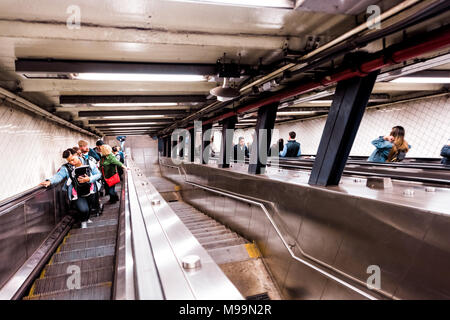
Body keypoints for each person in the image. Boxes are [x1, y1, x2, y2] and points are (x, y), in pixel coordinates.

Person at [39, 148, 102, 228]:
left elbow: (98, 174)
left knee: (89, 206)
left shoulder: (88, 162)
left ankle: (86, 218)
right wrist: (49, 181)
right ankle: (83, 221)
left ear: (76, 154)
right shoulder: (66, 167)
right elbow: (59, 176)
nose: (72, 162)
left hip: (90, 190)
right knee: (83, 209)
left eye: (72, 159)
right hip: (76, 192)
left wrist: (89, 179)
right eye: (69, 161)